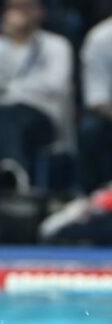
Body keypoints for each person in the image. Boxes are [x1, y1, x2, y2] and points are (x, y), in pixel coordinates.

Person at [0, 0, 74, 198]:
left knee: (11, 121)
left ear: (40, 12)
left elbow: (56, 85)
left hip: (41, 117)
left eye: (26, 7)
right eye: (13, 7)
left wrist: (10, 88)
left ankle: (10, 175)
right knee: (3, 118)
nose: (19, 13)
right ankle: (14, 174)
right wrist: (8, 42)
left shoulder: (57, 46)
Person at [79, 10, 112, 195]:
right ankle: (95, 199)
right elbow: (97, 99)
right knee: (91, 129)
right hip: (109, 114)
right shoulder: (101, 38)